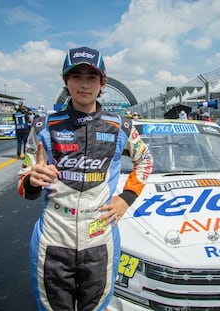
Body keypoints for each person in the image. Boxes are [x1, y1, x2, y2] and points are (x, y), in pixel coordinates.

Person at [16, 46, 153, 311]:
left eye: (92, 77)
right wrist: (32, 181)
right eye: (76, 76)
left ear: (103, 83)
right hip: (54, 235)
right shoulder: (43, 126)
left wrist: (126, 198)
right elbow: (23, 182)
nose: (84, 84)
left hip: (99, 234)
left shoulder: (121, 126)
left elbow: (145, 160)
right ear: (65, 81)